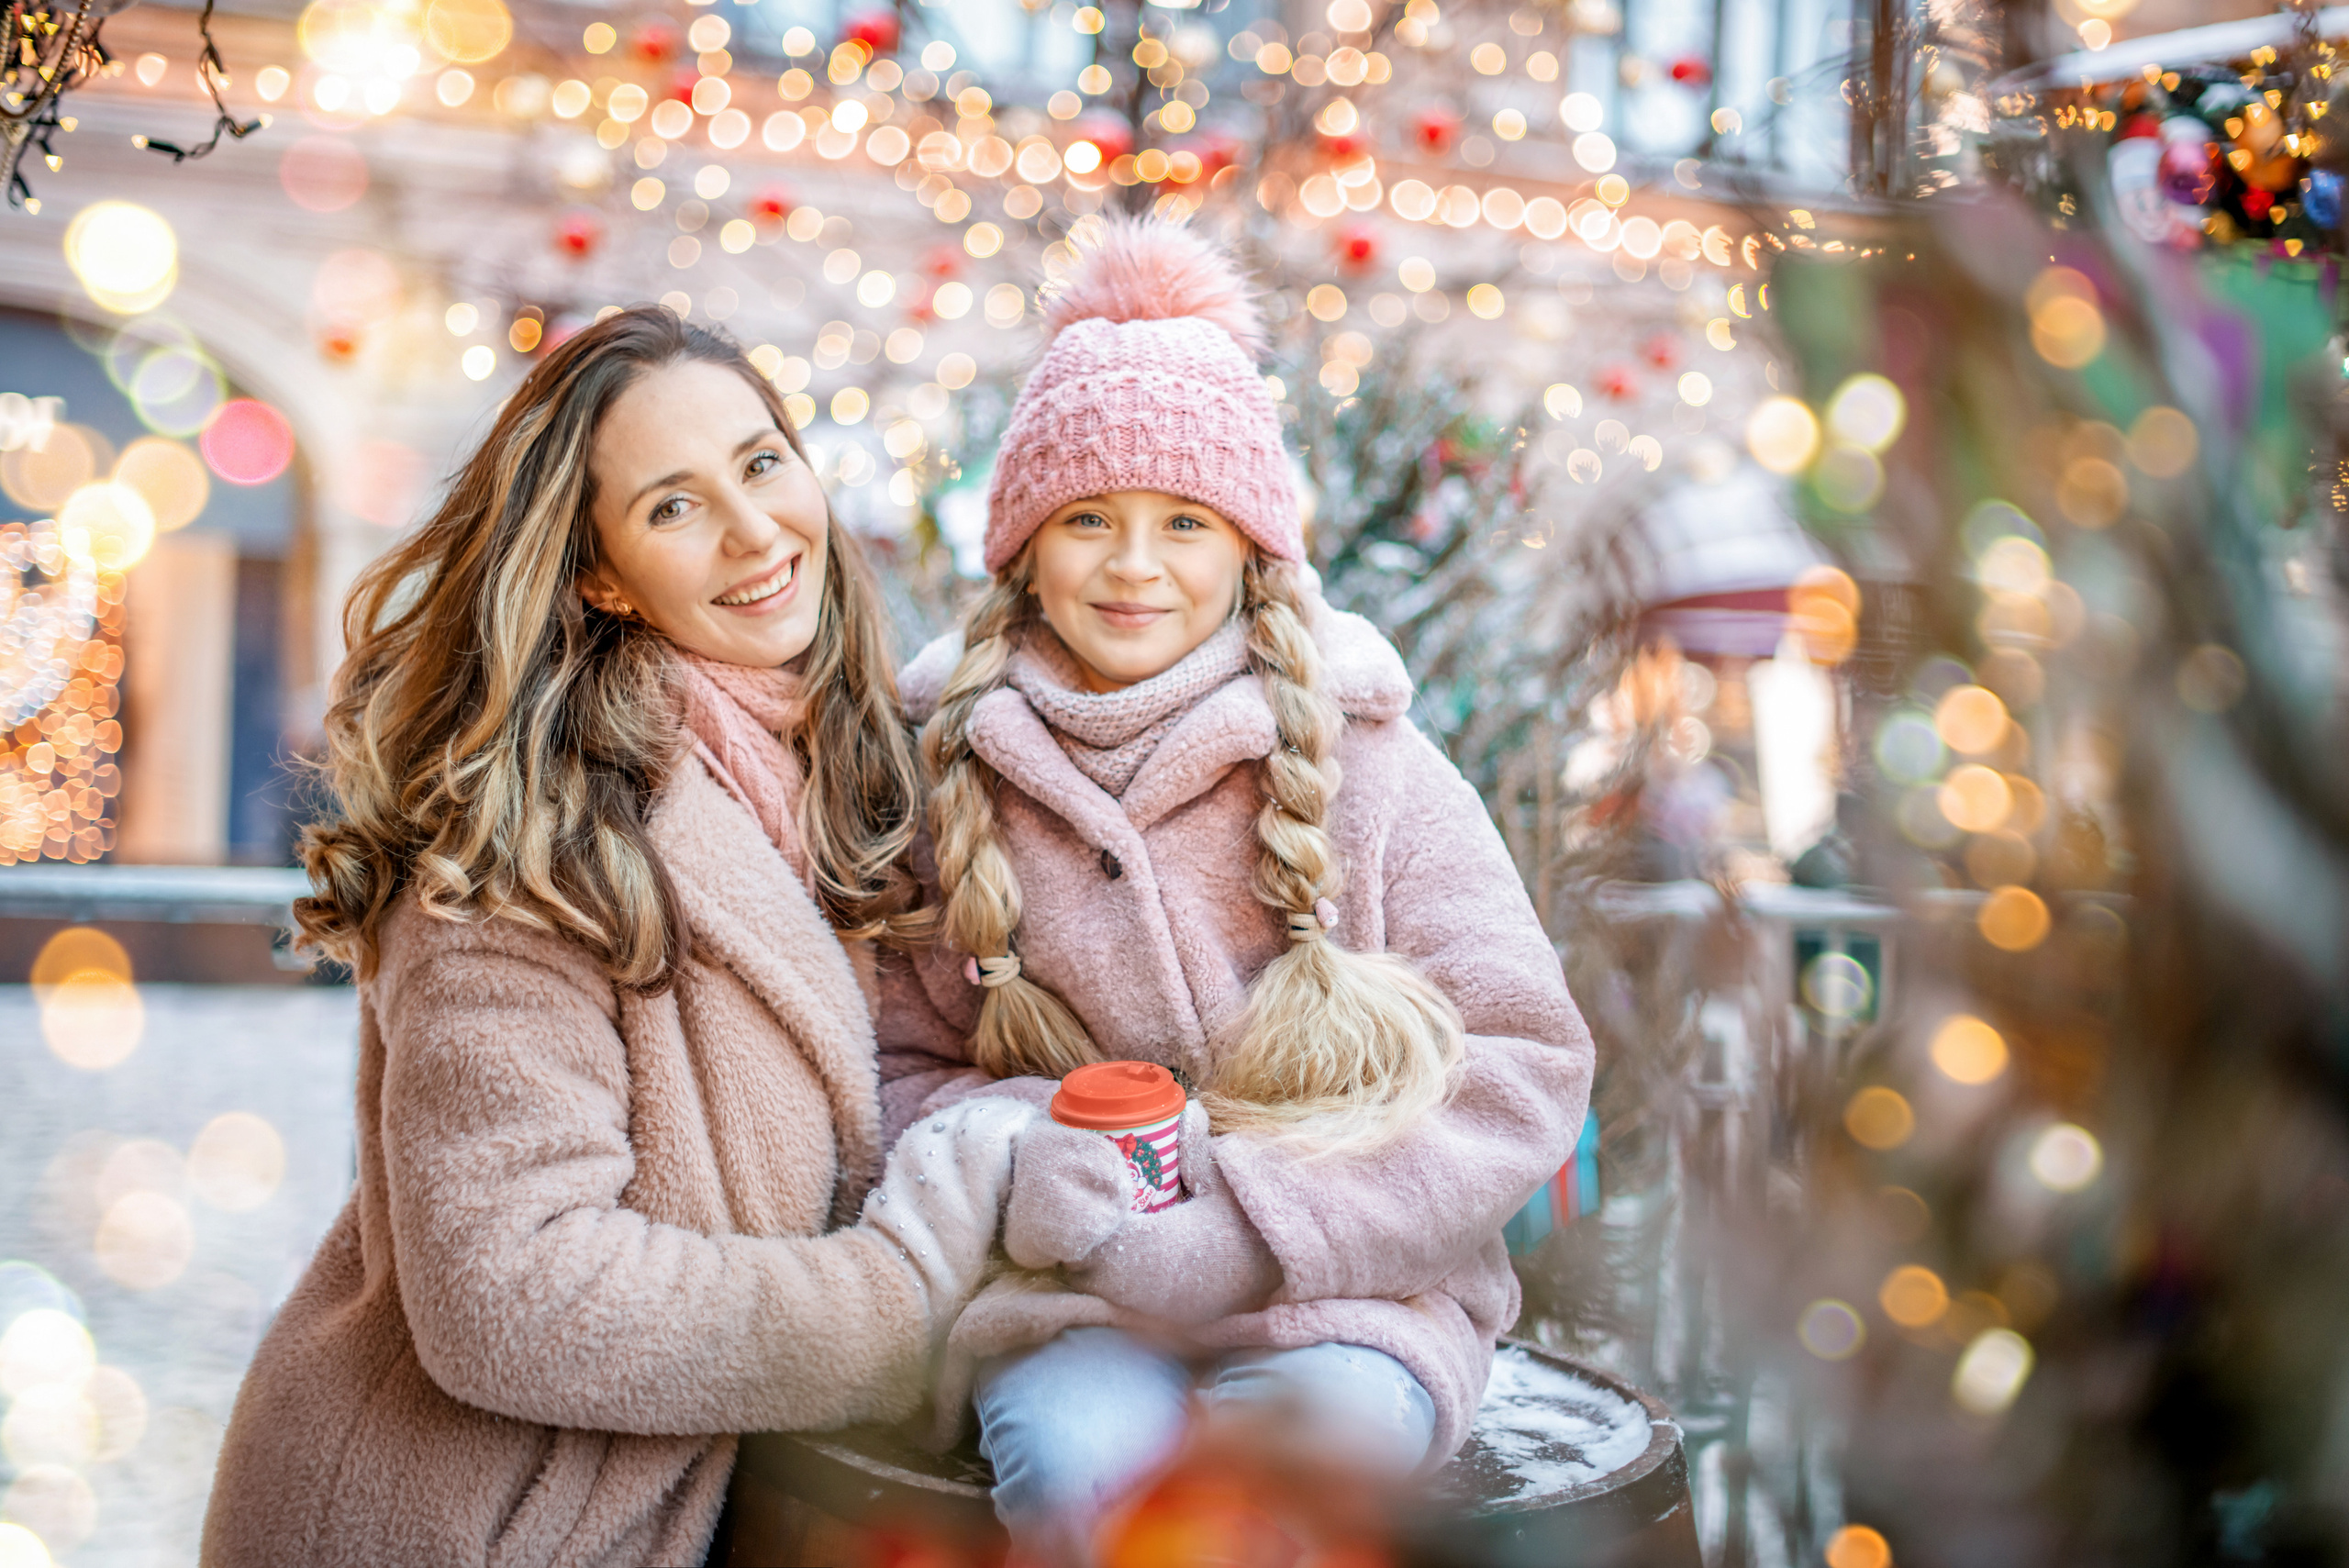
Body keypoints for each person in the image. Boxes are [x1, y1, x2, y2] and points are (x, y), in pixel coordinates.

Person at [202, 308, 1020, 1568]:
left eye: (760, 462)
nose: (756, 532)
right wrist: (896, 1308)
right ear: (598, 571)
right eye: (673, 507)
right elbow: (508, 1290)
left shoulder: (839, 772)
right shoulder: (530, 833)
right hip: (469, 1520)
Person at [886, 219, 1596, 1563]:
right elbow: (895, 1058)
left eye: (1184, 523)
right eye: (1087, 518)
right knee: (1083, 1475)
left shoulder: (1371, 763)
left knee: (1275, 1507)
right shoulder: (949, 780)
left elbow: (1523, 1058)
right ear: (1024, 547)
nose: (1134, 564)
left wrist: (1263, 1228)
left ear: (1250, 546)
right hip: (1068, 1303)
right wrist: (1024, 1159)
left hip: (1349, 1299)